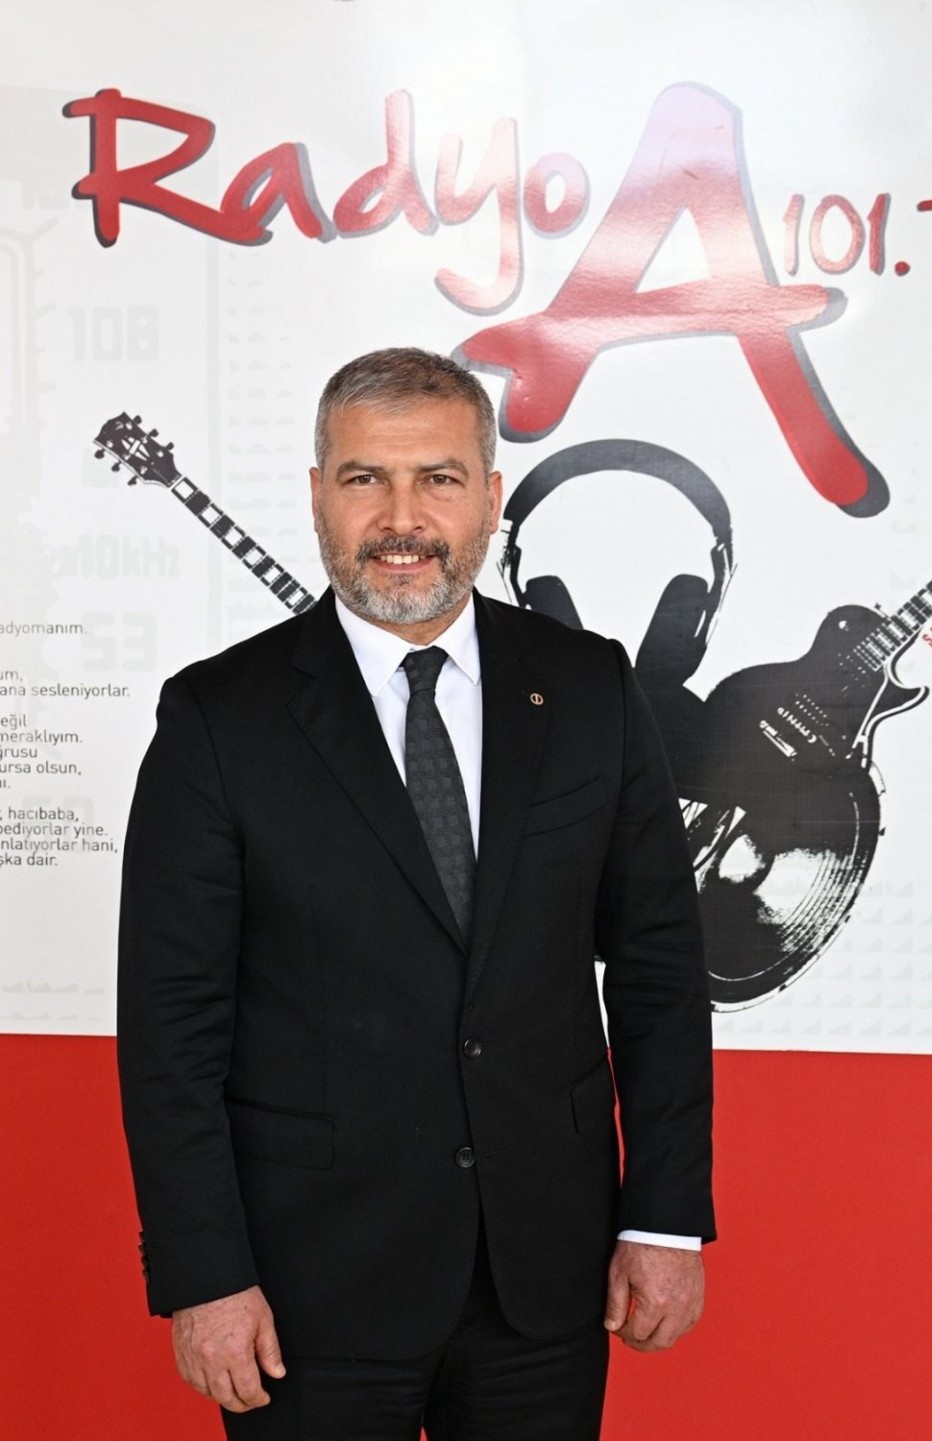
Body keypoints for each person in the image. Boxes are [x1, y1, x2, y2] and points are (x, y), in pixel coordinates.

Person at [117, 348, 715, 1440]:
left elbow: (660, 972)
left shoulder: (591, 687)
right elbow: (171, 1029)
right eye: (365, 479)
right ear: (318, 494)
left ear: (489, 494)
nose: (402, 518)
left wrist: (666, 1219)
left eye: (438, 478)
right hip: (305, 1286)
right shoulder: (217, 718)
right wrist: (205, 1273)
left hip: (546, 1274)